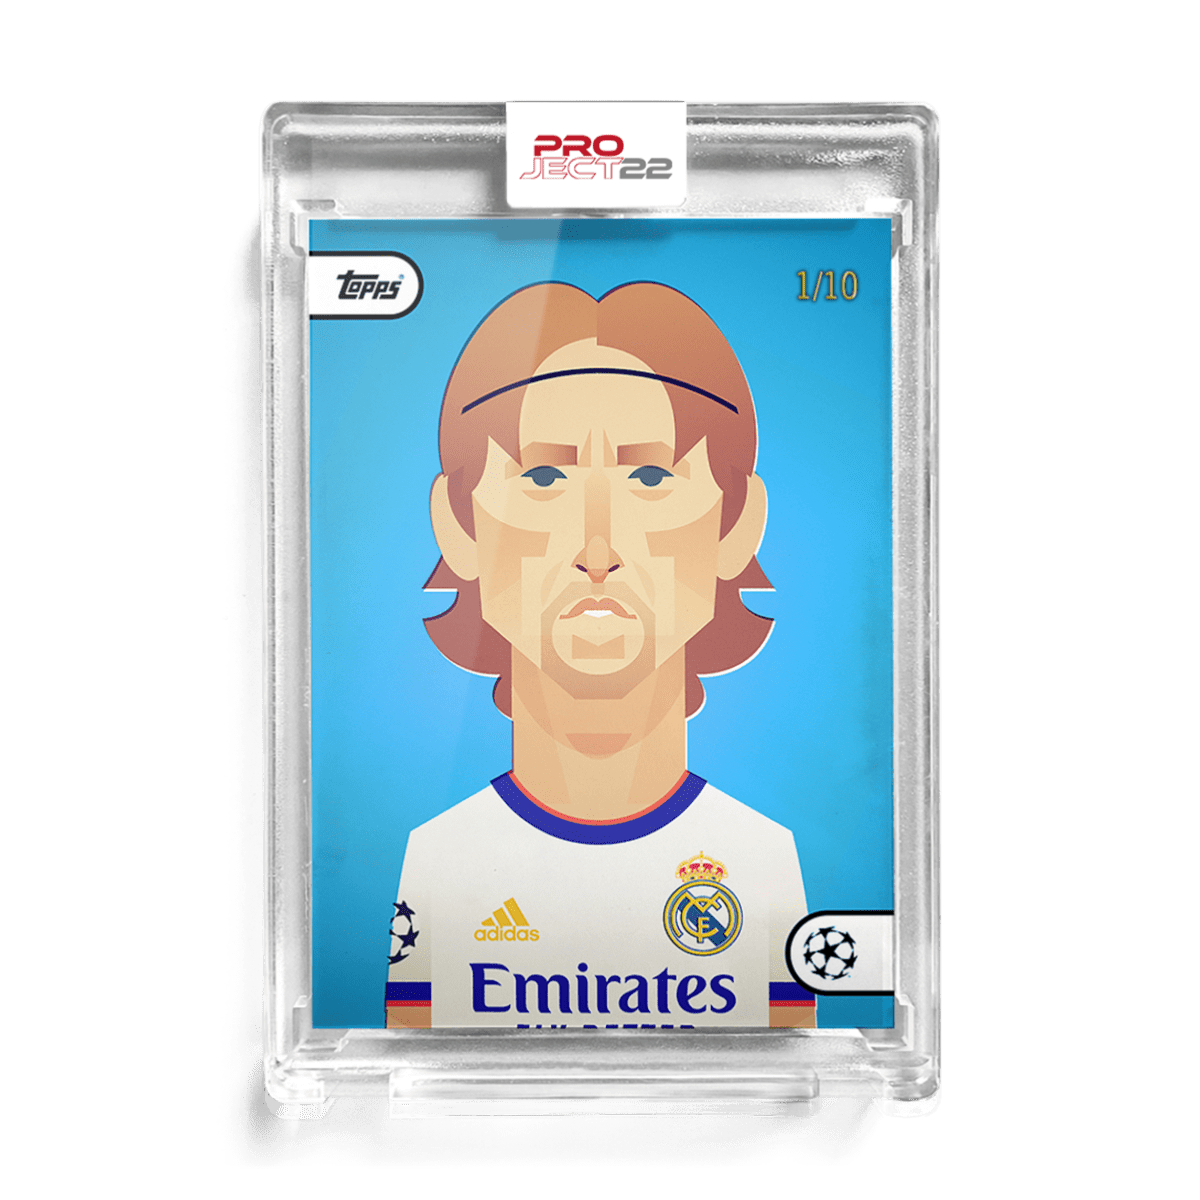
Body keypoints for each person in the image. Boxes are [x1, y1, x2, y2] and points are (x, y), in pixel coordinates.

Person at [386, 282, 814, 1029]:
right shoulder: (441, 861)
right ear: (457, 525)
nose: (596, 549)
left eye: (649, 476)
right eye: (542, 477)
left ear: (737, 524)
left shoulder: (761, 862)